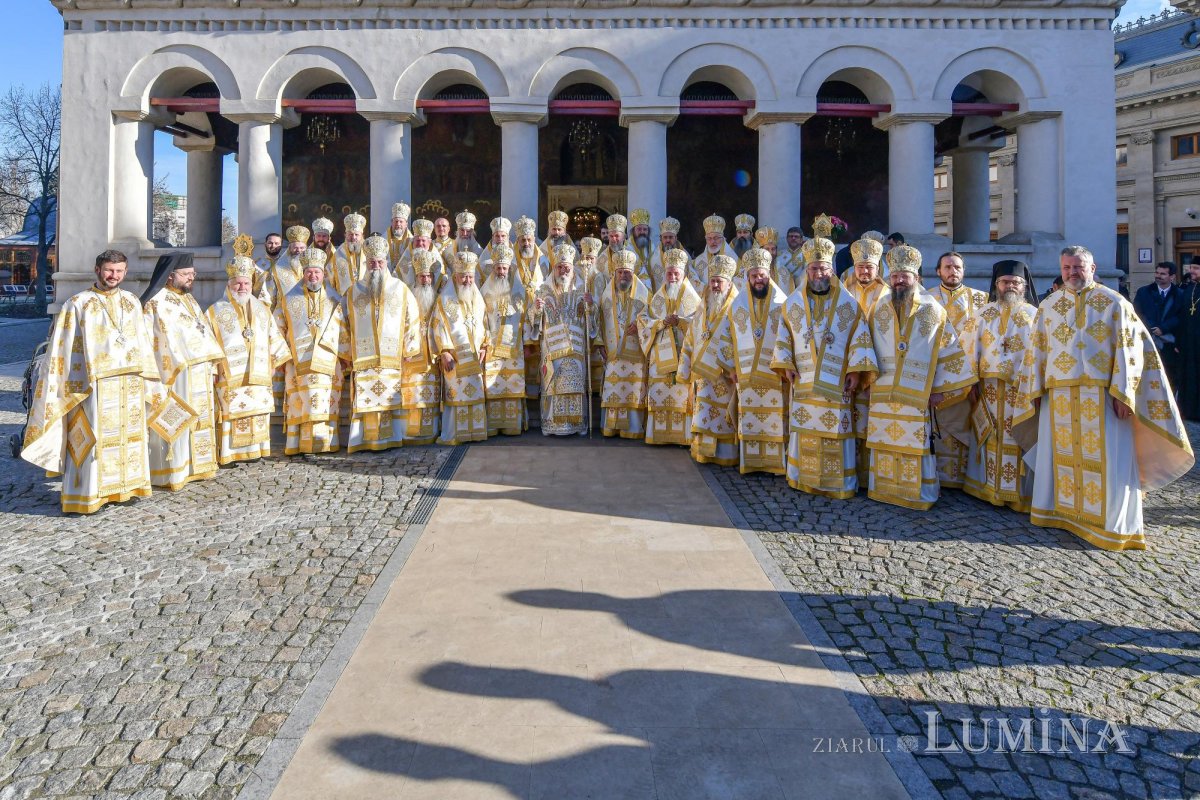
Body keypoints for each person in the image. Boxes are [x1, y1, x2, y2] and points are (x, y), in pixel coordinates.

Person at [1012, 246, 1194, 550]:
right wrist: (1035, 392)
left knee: (1108, 461)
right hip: (1059, 397)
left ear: (1092, 268)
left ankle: (1109, 523)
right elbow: (1036, 352)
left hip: (1104, 398)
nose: (1072, 273)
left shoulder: (1114, 303)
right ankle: (1064, 513)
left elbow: (1130, 350)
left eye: (1078, 267)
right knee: (1063, 458)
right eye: (1067, 267)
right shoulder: (1049, 306)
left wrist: (1124, 393)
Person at [22, 250, 162, 514]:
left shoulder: (132, 302)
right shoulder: (78, 303)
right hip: (94, 385)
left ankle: (124, 488)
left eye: (119, 271)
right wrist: (75, 385)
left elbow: (143, 343)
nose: (114, 276)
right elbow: (62, 350)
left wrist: (149, 377)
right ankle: (88, 496)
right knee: (93, 440)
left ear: (126, 272)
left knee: (129, 437)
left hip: (129, 382)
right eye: (109, 270)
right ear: (97, 269)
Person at [865, 245, 976, 510]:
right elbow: (865, 346)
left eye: (905, 275)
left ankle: (917, 493)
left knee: (916, 441)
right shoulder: (878, 308)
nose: (899, 280)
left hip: (918, 392)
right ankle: (884, 488)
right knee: (884, 438)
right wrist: (867, 379)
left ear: (917, 277)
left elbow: (949, 351)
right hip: (883, 390)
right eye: (895, 276)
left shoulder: (933, 309)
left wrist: (940, 390)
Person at [773, 236, 877, 495]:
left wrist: (855, 371)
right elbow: (783, 337)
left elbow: (860, 338)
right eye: (813, 269)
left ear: (831, 271)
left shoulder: (848, 304)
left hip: (836, 381)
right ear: (807, 271)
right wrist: (786, 364)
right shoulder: (792, 304)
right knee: (805, 426)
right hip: (805, 380)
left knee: (836, 429)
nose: (818, 273)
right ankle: (803, 477)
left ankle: (837, 482)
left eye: (822, 268)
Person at [954, 259, 1038, 512]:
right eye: (1005, 282)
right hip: (988, 388)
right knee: (989, 434)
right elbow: (968, 348)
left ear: (1023, 286)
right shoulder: (983, 314)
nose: (1010, 286)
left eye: (1015, 282)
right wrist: (970, 382)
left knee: (1018, 434)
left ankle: (1018, 494)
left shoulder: (1035, 316)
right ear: (996, 285)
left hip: (1020, 390)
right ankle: (988, 488)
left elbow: (1042, 353)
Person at [142, 253, 224, 491]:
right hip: (174, 375)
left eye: (192, 274)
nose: (192, 278)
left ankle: (197, 467)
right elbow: (147, 339)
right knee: (177, 419)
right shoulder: (155, 302)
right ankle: (173, 471)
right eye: (186, 274)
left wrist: (213, 365)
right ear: (170, 276)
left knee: (198, 419)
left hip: (198, 371)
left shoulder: (189, 300)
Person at [207, 238, 292, 465]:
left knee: (256, 409)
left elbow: (274, 335)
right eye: (238, 284)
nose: (242, 287)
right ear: (229, 284)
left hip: (259, 371)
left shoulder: (262, 310)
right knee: (232, 410)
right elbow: (210, 343)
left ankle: (256, 450)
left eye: (246, 283)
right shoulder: (215, 311)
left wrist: (278, 359)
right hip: (230, 374)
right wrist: (214, 369)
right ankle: (231, 453)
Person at [341, 235, 423, 453]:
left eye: (380, 262)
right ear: (366, 265)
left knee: (388, 397)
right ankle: (363, 440)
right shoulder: (353, 291)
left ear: (386, 262)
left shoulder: (401, 289)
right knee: (366, 397)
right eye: (371, 263)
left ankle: (391, 438)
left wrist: (410, 348)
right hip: (363, 358)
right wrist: (346, 352)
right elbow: (343, 323)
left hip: (391, 357)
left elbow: (412, 319)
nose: (376, 267)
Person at [717, 249, 790, 474]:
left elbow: (790, 338)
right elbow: (726, 337)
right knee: (749, 419)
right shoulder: (737, 305)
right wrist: (731, 369)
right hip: (745, 374)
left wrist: (786, 365)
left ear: (769, 275)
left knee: (775, 420)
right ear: (747, 278)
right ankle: (750, 463)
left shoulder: (782, 303)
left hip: (774, 376)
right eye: (754, 276)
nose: (759, 280)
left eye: (762, 275)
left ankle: (776, 465)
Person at [273, 248, 350, 455]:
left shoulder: (335, 300)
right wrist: (280, 356)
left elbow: (344, 328)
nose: (313, 276)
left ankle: (325, 443)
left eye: (317, 272)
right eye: (309, 272)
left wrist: (344, 356)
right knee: (300, 400)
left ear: (323, 274)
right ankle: (298, 444)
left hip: (328, 361)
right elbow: (277, 328)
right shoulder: (288, 300)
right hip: (297, 362)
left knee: (325, 401)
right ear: (303, 273)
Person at [929, 251, 989, 490]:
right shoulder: (927, 298)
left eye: (957, 267)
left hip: (969, 375)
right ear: (938, 271)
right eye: (947, 267)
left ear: (963, 271)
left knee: (965, 423)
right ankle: (938, 475)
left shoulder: (981, 300)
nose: (952, 271)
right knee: (938, 423)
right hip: (937, 373)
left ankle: (964, 477)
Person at [528, 244, 598, 436]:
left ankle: (577, 426)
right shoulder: (543, 290)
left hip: (575, 347)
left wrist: (591, 306)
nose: (564, 270)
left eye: (567, 267)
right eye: (560, 267)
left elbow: (592, 320)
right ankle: (552, 426)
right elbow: (532, 318)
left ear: (572, 268)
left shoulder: (581, 290)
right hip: (552, 348)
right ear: (554, 268)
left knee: (575, 387)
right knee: (552, 386)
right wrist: (536, 309)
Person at [677, 254, 739, 466]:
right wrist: (685, 364)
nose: (714, 285)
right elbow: (693, 334)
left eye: (719, 281)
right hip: (703, 372)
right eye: (712, 280)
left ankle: (725, 454)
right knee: (703, 410)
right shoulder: (704, 303)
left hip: (725, 373)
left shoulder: (737, 306)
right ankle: (703, 451)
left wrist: (732, 366)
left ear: (729, 283)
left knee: (723, 414)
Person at [639, 248, 702, 445]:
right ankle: (658, 436)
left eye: (676, 273)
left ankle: (683, 437)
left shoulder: (693, 298)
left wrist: (681, 322)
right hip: (660, 356)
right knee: (659, 393)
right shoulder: (657, 298)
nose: (673, 276)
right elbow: (644, 320)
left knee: (682, 396)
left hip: (683, 355)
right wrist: (661, 323)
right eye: (669, 273)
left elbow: (700, 323)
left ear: (683, 274)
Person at [842, 235, 891, 483]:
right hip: (848, 364)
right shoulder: (844, 291)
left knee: (871, 421)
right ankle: (852, 470)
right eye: (860, 267)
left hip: (878, 365)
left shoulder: (888, 294)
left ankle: (869, 475)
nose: (864, 271)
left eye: (869, 266)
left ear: (877, 268)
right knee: (850, 420)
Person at [433, 251, 489, 445]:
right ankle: (454, 435)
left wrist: (484, 346)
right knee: (456, 395)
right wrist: (444, 352)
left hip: (475, 357)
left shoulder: (478, 299)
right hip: (455, 358)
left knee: (474, 392)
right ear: (455, 277)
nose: (467, 280)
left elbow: (485, 324)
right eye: (463, 276)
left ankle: (476, 433)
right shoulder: (445, 299)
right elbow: (438, 326)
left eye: (470, 276)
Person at [596, 249, 650, 439]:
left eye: (627, 272)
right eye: (620, 272)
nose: (623, 276)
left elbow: (650, 319)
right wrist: (600, 342)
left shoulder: (644, 295)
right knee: (614, 389)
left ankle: (633, 429)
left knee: (633, 390)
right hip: (613, 353)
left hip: (635, 353)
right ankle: (611, 427)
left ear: (633, 273)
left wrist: (640, 325)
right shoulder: (606, 296)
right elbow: (599, 320)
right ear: (615, 273)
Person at [480, 244, 528, 436]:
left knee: (511, 386)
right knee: (495, 387)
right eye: (498, 268)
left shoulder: (519, 292)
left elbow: (528, 319)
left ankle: (512, 425)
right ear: (493, 269)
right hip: (492, 349)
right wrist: (483, 342)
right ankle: (493, 425)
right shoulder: (484, 293)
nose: (501, 272)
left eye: (504, 268)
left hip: (514, 349)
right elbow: (479, 320)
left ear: (510, 270)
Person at [402, 250, 444, 445]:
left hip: (432, 353)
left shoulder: (439, 298)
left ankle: (430, 432)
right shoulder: (407, 296)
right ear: (416, 277)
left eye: (428, 276)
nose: (425, 279)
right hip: (412, 352)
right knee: (413, 392)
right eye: (421, 276)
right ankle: (409, 432)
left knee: (429, 393)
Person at [1133, 261, 1181, 386]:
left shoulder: (1180, 294)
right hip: (1148, 340)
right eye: (1157, 272)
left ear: (1172, 277)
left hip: (1170, 344)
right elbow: (1137, 313)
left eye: (1163, 274)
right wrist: (1152, 328)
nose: (1158, 276)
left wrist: (1163, 328)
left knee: (1170, 378)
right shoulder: (1143, 292)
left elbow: (1181, 316)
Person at [1176, 258, 1200, 420]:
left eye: (1196, 268)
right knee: (1188, 376)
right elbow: (1181, 317)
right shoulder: (1190, 288)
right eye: (1191, 267)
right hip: (1188, 343)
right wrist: (1179, 341)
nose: (1192, 271)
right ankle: (1189, 411)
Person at [691, 214, 736, 291]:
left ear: (723, 239)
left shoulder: (735, 260)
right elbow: (693, 283)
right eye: (709, 238)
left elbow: (739, 284)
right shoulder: (697, 262)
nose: (712, 242)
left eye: (716, 238)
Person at [328, 212, 368, 295]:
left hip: (364, 296)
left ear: (362, 236)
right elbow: (330, 276)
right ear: (345, 235)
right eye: (350, 234)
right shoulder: (338, 254)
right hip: (344, 298)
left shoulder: (368, 252)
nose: (353, 237)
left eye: (356, 235)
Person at [648, 216, 687, 294]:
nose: (668, 240)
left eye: (671, 237)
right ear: (661, 238)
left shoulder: (685, 255)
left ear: (676, 238)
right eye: (665, 237)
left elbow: (692, 277)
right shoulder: (653, 259)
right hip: (661, 301)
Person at [511, 215, 548, 293]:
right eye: (523, 240)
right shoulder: (510, 259)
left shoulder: (543, 259)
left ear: (534, 240)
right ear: (518, 241)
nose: (526, 243)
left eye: (529, 240)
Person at [387, 202, 413, 266]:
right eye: (396, 221)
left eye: (401, 222)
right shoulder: (384, 239)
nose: (398, 224)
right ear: (392, 222)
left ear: (406, 224)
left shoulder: (412, 241)